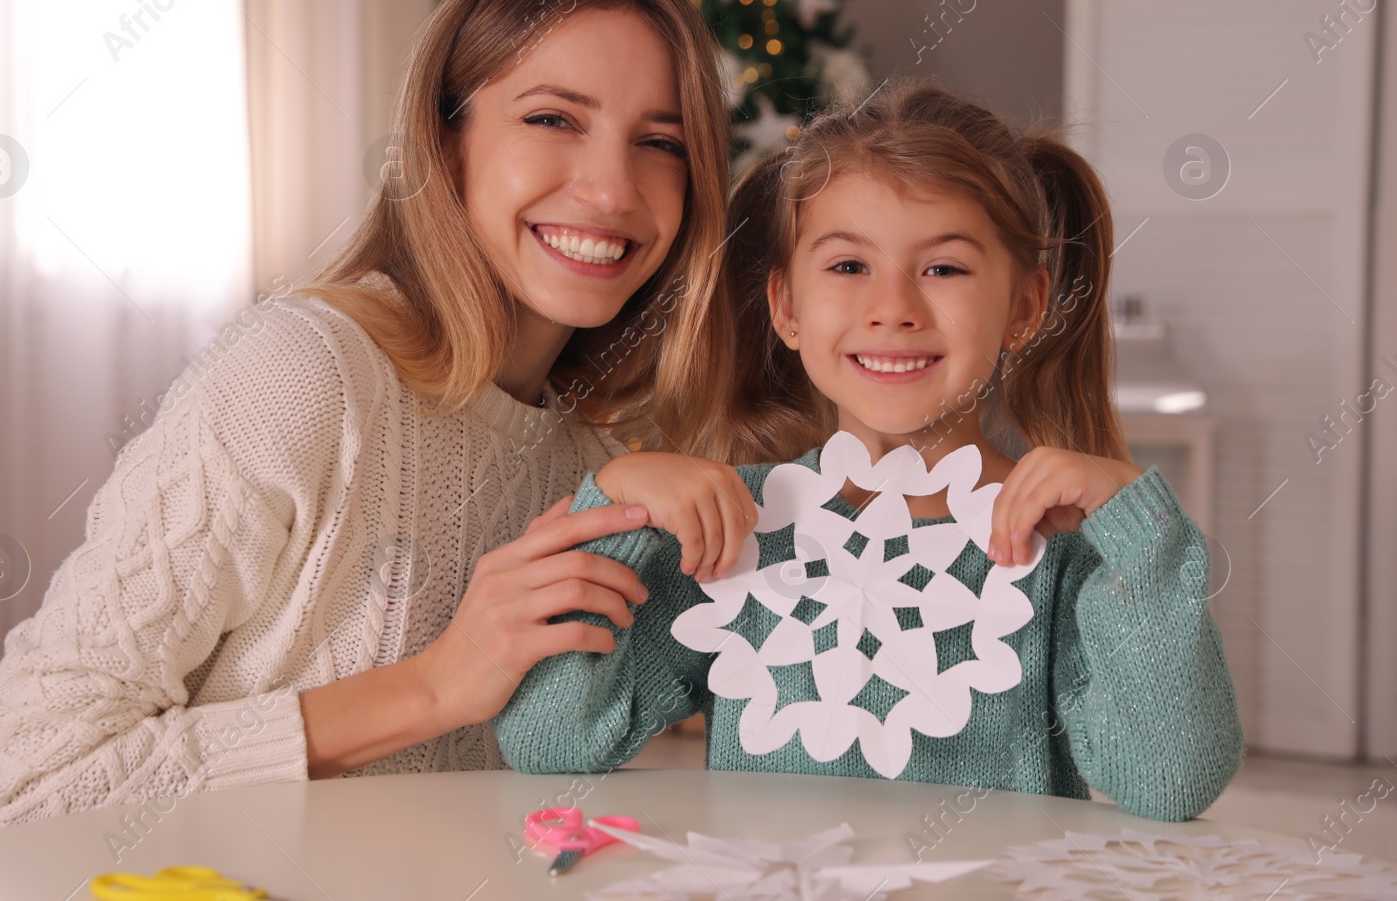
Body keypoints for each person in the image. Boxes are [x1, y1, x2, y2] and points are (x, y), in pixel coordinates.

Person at [0, 0, 756, 835]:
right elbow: (21, 785)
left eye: (661, 142)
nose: (613, 189)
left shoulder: (592, 457)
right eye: (552, 118)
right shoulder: (302, 376)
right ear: (445, 142)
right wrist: (429, 686)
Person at [494, 79, 1244, 823]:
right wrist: (617, 501)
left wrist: (1139, 537)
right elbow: (548, 739)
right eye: (849, 267)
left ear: (1024, 307)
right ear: (786, 307)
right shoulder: (734, 533)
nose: (894, 309)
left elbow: (1172, 781)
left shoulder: (1063, 552)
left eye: (943, 268)